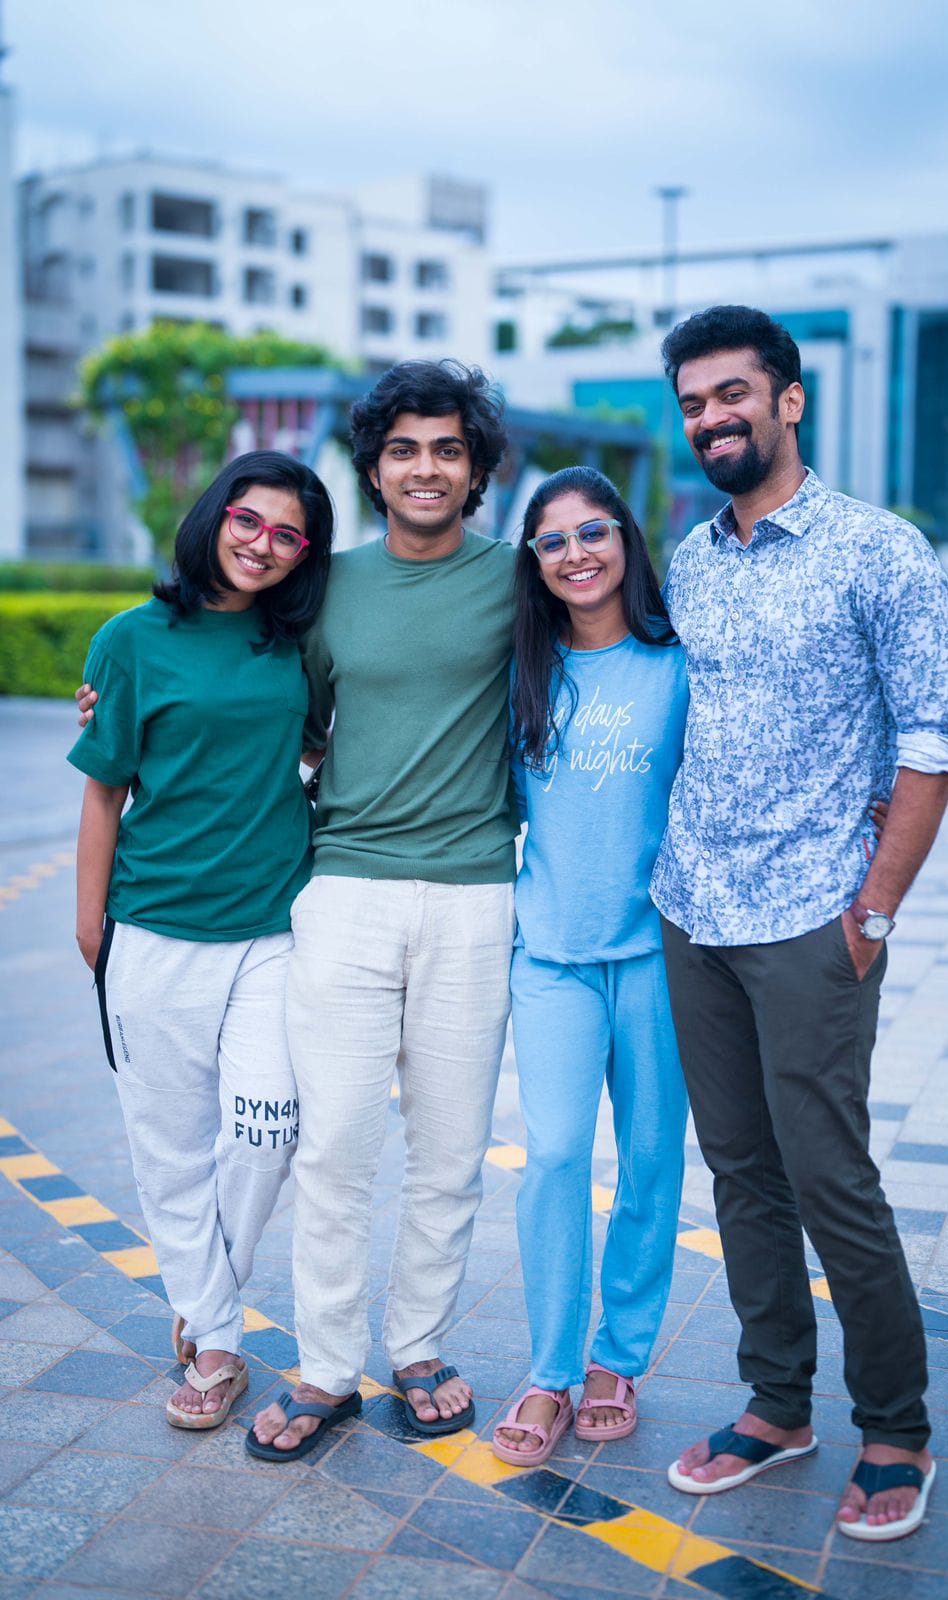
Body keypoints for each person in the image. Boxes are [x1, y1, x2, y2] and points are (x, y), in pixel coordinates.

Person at [653, 306, 948, 1542]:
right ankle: (775, 1405)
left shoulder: (877, 550)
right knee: (739, 1174)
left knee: (829, 1176)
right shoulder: (690, 559)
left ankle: (893, 1427)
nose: (710, 418)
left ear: (788, 400)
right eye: (691, 403)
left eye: (731, 393)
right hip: (694, 908)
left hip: (811, 919)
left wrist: (873, 911)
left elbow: (935, 738)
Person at [246, 361, 518, 1460]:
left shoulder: (522, 579)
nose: (424, 466)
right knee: (338, 1146)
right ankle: (323, 1368)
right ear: (373, 466)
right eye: (403, 448)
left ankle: (417, 1346)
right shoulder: (328, 589)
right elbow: (284, 712)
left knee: (450, 1150)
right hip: (345, 889)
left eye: (446, 448)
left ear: (475, 469)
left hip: (475, 893)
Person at [68, 451, 334, 1430]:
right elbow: (103, 789)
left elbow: (317, 743)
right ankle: (217, 1341)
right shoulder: (131, 640)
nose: (263, 544)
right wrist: (89, 918)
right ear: (215, 515)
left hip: (272, 926)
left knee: (265, 1129)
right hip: (152, 926)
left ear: (306, 551)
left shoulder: (294, 643)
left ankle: (206, 1304)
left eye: (288, 533)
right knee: (171, 1148)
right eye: (247, 519)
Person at [491, 467, 690, 1466]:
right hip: (554, 958)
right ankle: (552, 1368)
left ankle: (619, 1356)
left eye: (593, 532)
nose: (576, 552)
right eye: (553, 539)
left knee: (651, 1160)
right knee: (559, 1155)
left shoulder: (677, 664)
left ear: (625, 540)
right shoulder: (519, 669)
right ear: (533, 561)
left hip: (659, 957)